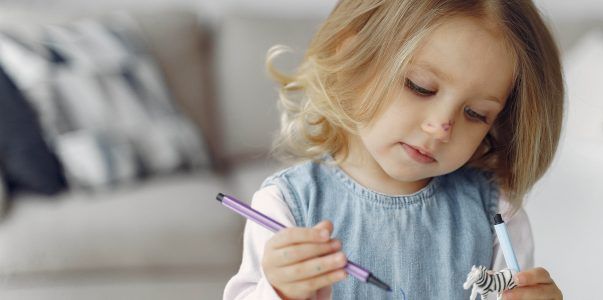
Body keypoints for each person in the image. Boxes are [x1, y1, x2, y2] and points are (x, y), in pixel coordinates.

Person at [224, 0, 564, 299]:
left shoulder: (498, 214)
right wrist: (281, 292)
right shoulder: (287, 206)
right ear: (353, 60)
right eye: (420, 87)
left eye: (475, 114)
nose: (441, 127)